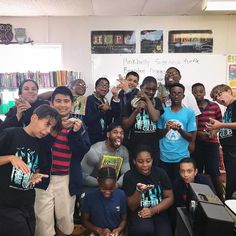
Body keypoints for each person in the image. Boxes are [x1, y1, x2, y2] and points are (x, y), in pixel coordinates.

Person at [35, 86, 91, 236]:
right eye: (58, 101)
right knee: (42, 223)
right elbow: (40, 149)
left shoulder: (78, 125)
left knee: (65, 220)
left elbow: (81, 152)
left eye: (66, 101)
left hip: (67, 179)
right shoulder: (45, 124)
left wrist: (75, 132)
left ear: (72, 104)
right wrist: (55, 130)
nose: (62, 104)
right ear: (51, 103)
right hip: (43, 178)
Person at [0, 104, 61, 236]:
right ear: (34, 117)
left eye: (51, 128)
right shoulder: (11, 134)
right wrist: (10, 158)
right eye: (46, 124)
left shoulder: (41, 144)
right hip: (6, 204)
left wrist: (34, 176)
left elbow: (33, 168)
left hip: (26, 202)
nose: (47, 131)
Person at [123, 145, 173, 236]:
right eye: (140, 162)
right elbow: (132, 206)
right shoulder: (129, 176)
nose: (145, 165)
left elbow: (170, 198)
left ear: (152, 160)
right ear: (134, 161)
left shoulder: (160, 173)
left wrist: (153, 210)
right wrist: (139, 190)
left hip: (159, 210)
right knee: (144, 230)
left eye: (148, 161)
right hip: (139, 212)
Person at [157, 83, 197, 183]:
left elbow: (191, 137)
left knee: (180, 187)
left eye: (179, 93)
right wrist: (167, 129)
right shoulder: (163, 112)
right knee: (166, 185)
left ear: (183, 96)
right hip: (164, 156)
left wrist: (179, 129)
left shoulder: (189, 113)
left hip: (182, 157)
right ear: (169, 95)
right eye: (173, 93)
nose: (176, 96)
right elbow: (158, 135)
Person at [191, 83, 224, 201]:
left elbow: (221, 122)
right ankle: (200, 200)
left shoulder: (214, 106)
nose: (198, 94)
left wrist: (215, 131)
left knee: (214, 172)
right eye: (195, 92)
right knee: (197, 172)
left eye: (200, 91)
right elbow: (190, 125)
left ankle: (220, 199)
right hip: (197, 145)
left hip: (212, 144)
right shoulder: (191, 108)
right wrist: (199, 133)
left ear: (205, 92)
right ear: (192, 94)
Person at [157, 67, 201, 153]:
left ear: (180, 77)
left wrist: (192, 142)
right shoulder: (158, 93)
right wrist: (158, 100)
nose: (171, 75)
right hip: (164, 143)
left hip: (183, 143)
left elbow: (195, 117)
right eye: (168, 73)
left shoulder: (188, 95)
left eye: (174, 73)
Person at [122, 76, 163, 167]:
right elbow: (125, 125)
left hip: (152, 146)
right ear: (141, 87)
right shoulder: (131, 101)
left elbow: (155, 118)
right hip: (134, 145)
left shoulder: (157, 101)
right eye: (147, 89)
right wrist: (136, 110)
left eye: (153, 90)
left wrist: (147, 99)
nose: (151, 92)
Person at [206, 84, 236, 200]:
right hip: (228, 150)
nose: (218, 99)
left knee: (232, 185)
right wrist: (215, 130)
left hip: (234, 149)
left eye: (219, 94)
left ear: (229, 91)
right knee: (231, 182)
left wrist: (221, 125)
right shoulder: (228, 109)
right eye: (215, 97)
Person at [81, 122, 130, 189]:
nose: (119, 135)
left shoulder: (124, 151)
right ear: (108, 134)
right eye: (115, 132)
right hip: (93, 187)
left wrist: (117, 184)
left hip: (113, 187)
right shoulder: (94, 151)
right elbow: (83, 176)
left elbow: (127, 174)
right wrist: (103, 184)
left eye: (121, 133)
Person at [81, 167, 127, 236]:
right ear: (98, 181)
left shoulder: (121, 195)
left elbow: (124, 219)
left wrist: (119, 229)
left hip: (115, 232)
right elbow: (84, 220)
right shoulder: (89, 197)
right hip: (96, 232)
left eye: (111, 189)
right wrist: (98, 230)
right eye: (103, 189)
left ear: (115, 182)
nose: (107, 193)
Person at [84, 77, 120, 144]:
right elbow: (87, 120)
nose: (104, 87)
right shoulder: (89, 99)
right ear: (96, 87)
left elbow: (109, 120)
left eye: (106, 85)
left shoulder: (105, 101)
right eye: (101, 85)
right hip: (91, 138)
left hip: (103, 138)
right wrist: (102, 111)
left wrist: (110, 109)